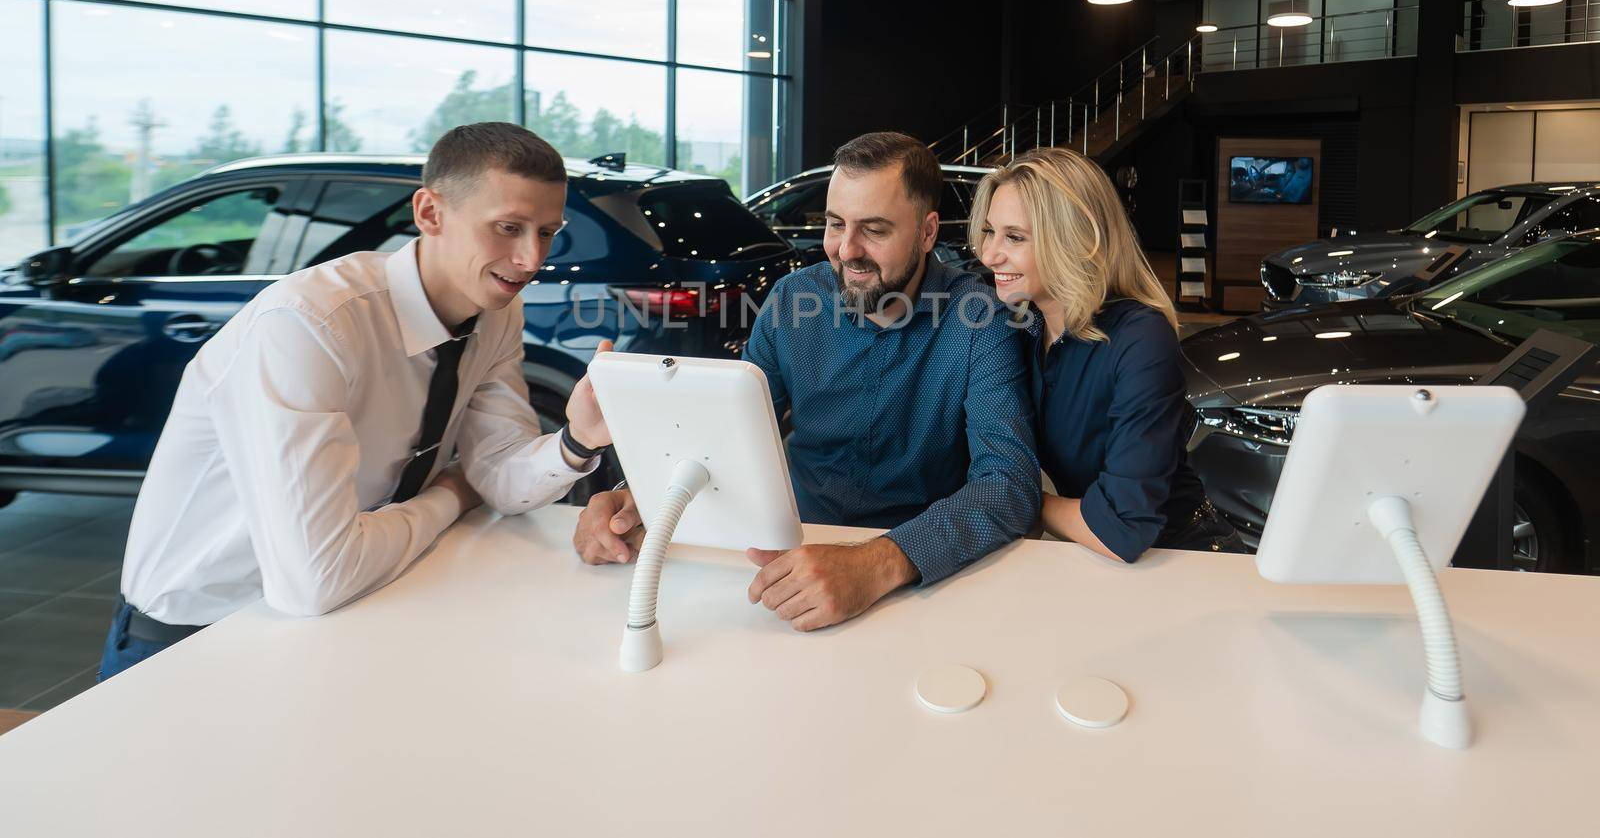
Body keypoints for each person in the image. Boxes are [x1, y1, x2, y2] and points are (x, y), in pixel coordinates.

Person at [105, 122, 613, 679]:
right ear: (430, 214)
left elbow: (498, 476)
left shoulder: (495, 315)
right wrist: (451, 494)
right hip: (195, 640)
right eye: (508, 228)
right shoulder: (310, 324)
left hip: (348, 615)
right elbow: (315, 579)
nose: (530, 260)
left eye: (546, 232)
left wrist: (576, 440)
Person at [573, 131, 1040, 631]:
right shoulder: (790, 301)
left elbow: (1009, 485)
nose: (847, 250)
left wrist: (877, 563)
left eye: (875, 230)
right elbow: (723, 434)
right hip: (793, 545)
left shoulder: (979, 320)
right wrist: (644, 494)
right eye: (836, 224)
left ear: (927, 233)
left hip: (921, 569)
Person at [971, 147, 1244, 562]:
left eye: (1015, 237)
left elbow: (1123, 527)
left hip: (1183, 561)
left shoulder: (1141, 338)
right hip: (1093, 559)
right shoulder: (1022, 325)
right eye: (990, 232)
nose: (989, 254)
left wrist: (1024, 500)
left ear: (1074, 240)